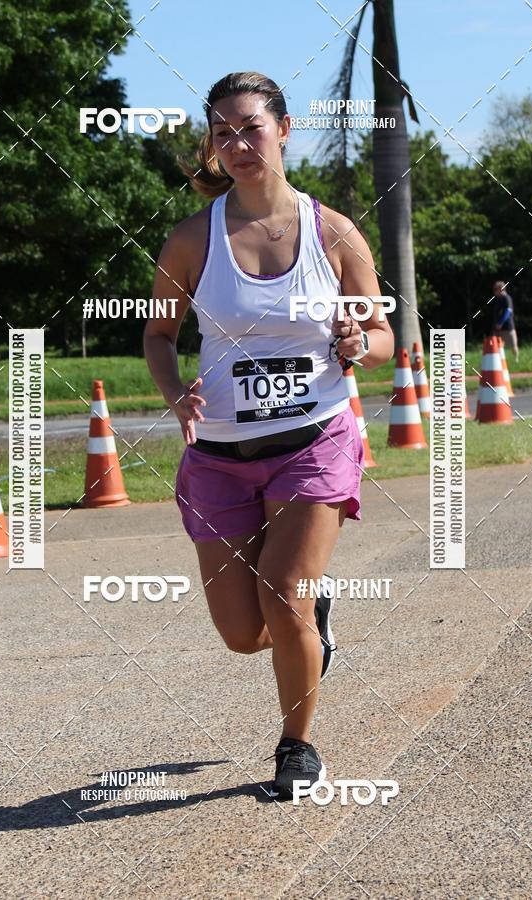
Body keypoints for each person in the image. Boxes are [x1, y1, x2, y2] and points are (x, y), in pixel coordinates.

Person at [143, 72, 394, 800]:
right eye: (223, 133)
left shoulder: (335, 232)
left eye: (251, 127)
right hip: (219, 456)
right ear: (213, 148)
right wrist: (173, 394)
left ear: (284, 130)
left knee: (282, 595)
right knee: (242, 634)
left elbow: (384, 338)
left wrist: (357, 343)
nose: (238, 143)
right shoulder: (192, 239)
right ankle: (315, 625)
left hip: (313, 441)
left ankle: (297, 747)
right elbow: (159, 335)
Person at [492, 280, 519, 362]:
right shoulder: (497, 299)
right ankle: (499, 361)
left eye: (495, 289)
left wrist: (500, 323)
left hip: (508, 327)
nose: (494, 291)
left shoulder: (507, 298)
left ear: (500, 289)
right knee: (497, 346)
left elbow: (508, 311)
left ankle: (516, 360)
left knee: (513, 345)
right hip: (498, 328)